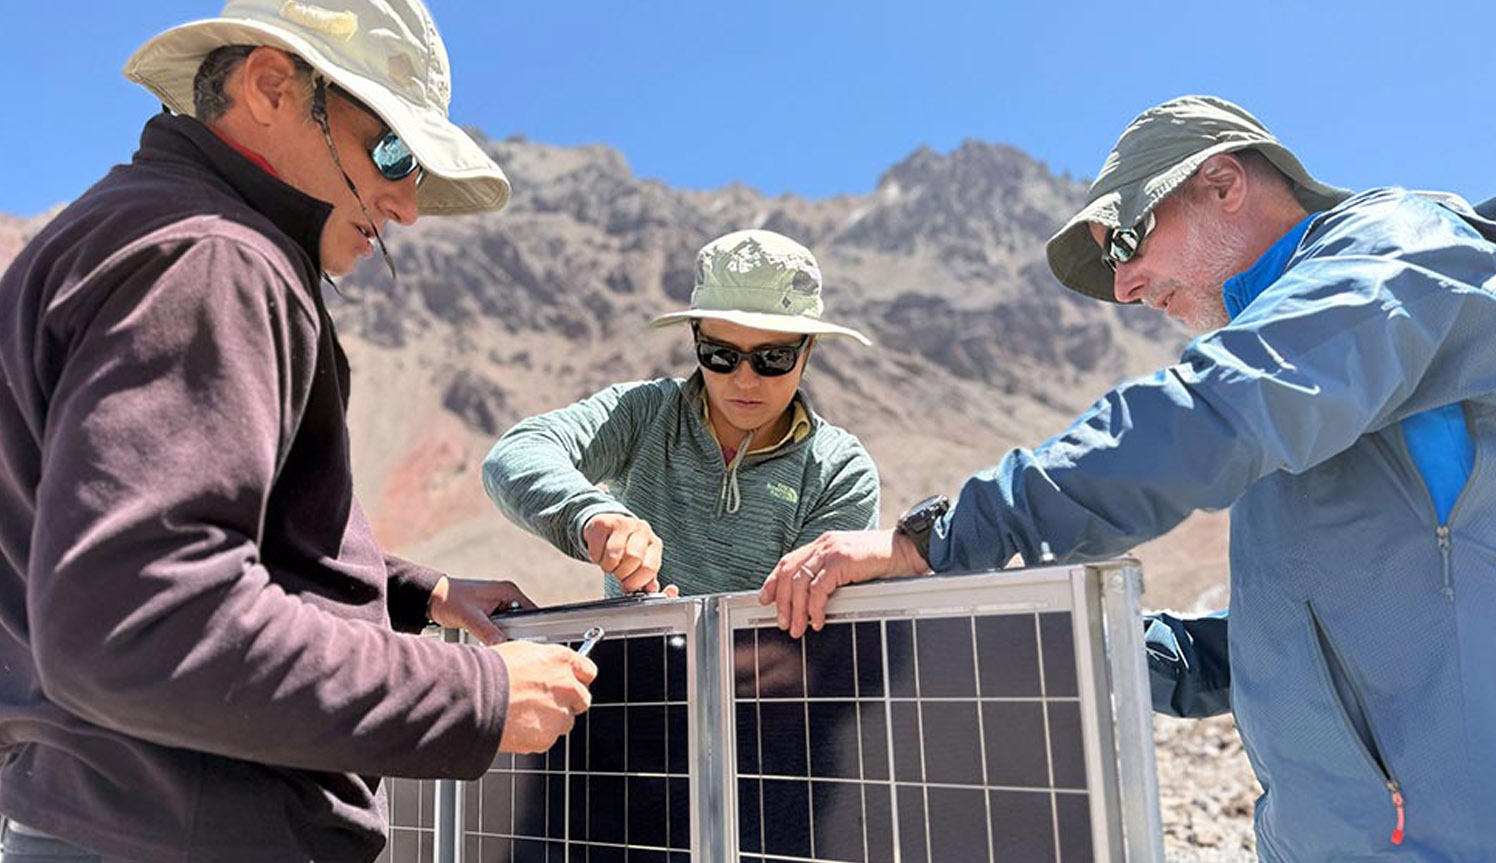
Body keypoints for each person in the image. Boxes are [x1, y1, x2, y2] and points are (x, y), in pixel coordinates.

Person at [763, 95, 1496, 861]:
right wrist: (1055, 640)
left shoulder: (1397, 256)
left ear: (1222, 183)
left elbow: (1201, 415)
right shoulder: (1294, 370)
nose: (1123, 286)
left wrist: (934, 541)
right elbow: (1290, 638)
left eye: (1127, 239)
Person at [0, 2, 597, 861]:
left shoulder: (133, 226)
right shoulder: (214, 260)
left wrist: (417, 593)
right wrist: (478, 692)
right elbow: (139, 617)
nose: (406, 204)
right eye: (390, 150)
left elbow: (148, 531)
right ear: (272, 86)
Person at [482, 229, 880, 596]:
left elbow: (810, 629)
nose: (744, 380)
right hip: (634, 670)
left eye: (772, 358)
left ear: (807, 351)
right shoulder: (643, 413)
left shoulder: (841, 472)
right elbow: (514, 454)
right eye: (720, 355)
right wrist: (591, 515)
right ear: (696, 341)